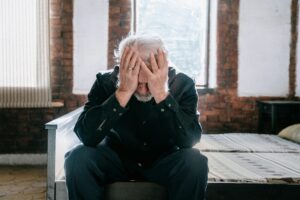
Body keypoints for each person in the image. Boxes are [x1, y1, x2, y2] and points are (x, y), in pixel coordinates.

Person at [64, 34, 208, 200]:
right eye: (137, 81)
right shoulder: (105, 82)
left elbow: (190, 140)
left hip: (163, 160)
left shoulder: (183, 84)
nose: (143, 89)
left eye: (149, 81)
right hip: (117, 159)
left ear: (163, 67)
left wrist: (161, 93)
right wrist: (123, 92)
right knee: (78, 157)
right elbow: (87, 136)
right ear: (123, 67)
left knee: (195, 161)